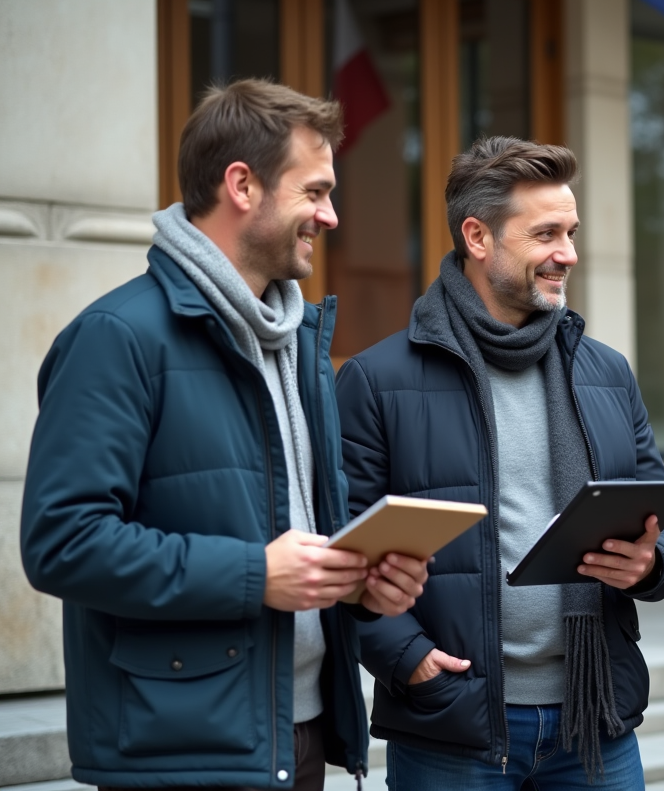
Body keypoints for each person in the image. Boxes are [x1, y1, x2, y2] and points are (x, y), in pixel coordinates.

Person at [20, 79, 429, 791]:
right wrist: (254, 576)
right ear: (242, 185)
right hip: (180, 751)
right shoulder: (115, 339)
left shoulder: (299, 343)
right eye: (315, 191)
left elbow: (289, 542)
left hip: (293, 738)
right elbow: (62, 543)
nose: (330, 216)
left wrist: (361, 584)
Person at [334, 135, 664, 790]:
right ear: (478, 237)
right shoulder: (374, 380)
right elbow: (344, 550)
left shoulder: (606, 371)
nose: (569, 255)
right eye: (547, 234)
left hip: (596, 722)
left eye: (573, 232)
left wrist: (652, 560)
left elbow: (663, 514)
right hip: (454, 727)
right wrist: (407, 658)